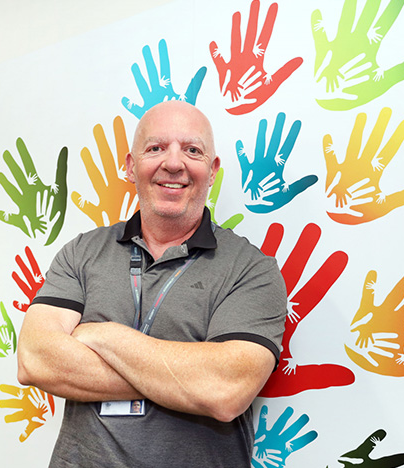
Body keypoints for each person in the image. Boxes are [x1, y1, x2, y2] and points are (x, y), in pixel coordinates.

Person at [16, 100, 287, 467]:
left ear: (212, 170)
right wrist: (185, 379)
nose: (173, 163)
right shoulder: (81, 252)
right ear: (130, 166)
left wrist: (102, 335)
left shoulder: (251, 269)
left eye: (192, 150)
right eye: (156, 148)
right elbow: (34, 360)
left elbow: (224, 390)